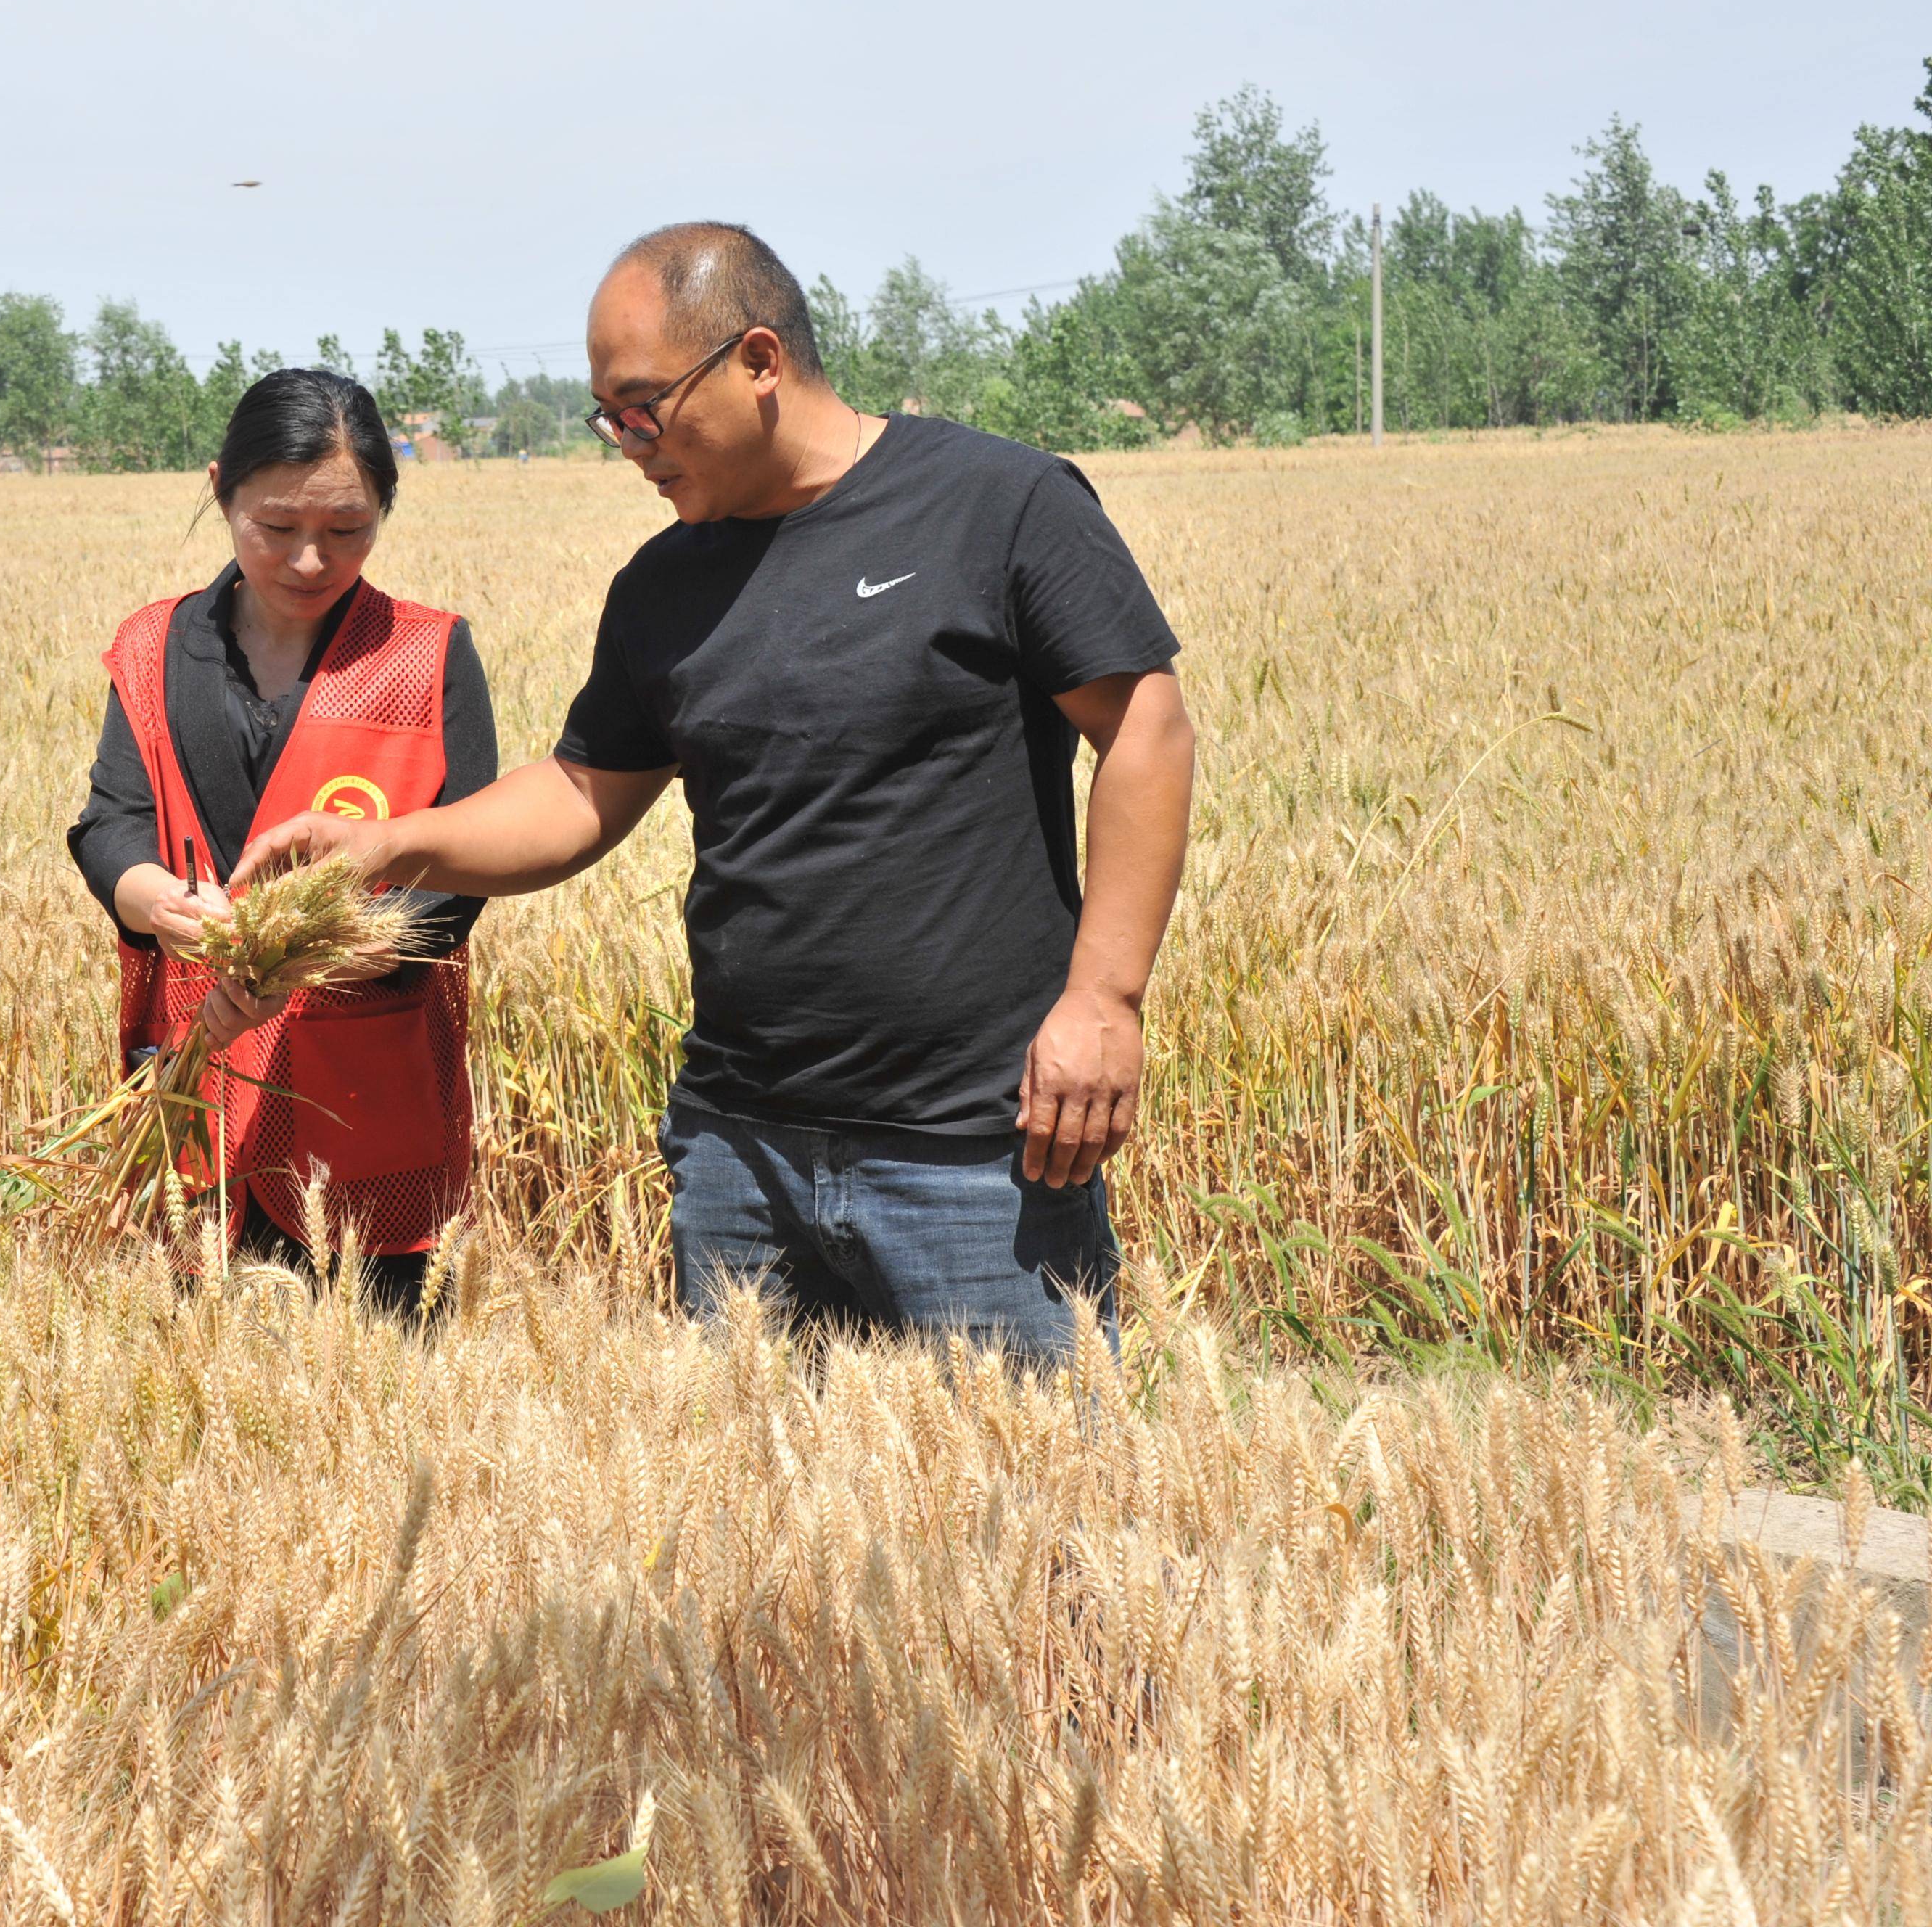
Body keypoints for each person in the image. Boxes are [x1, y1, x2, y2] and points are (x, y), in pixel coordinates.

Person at [240, 224, 1196, 1361]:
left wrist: (1105, 1001)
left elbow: (1146, 731)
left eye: (643, 407)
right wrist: (389, 845)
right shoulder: (666, 582)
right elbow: (586, 789)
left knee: (1029, 1522)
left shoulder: (997, 505)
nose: (626, 444)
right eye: (608, 417)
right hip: (742, 1155)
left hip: (977, 1155)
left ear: (757, 361)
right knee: (760, 1531)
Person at [68, 369, 498, 1310]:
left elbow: (459, 881)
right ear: (222, 490)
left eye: (347, 530)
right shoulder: (150, 650)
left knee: (382, 1402)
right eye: (277, 527)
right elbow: (113, 824)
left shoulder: (427, 656)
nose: (310, 561)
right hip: (197, 1093)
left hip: (368, 1106)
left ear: (386, 507)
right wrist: (161, 904)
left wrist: (295, 960)